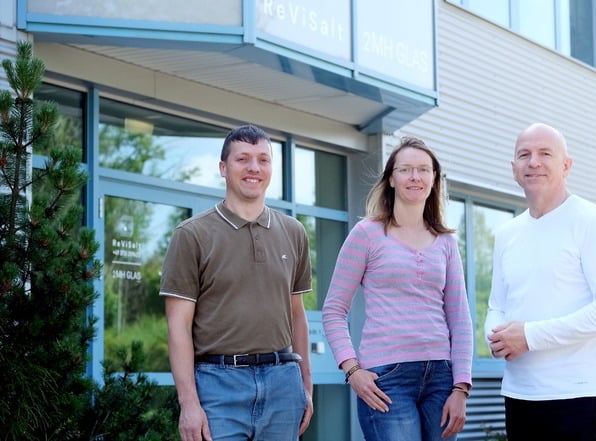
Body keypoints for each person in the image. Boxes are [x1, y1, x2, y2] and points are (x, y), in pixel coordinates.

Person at [160, 124, 313, 441]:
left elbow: (297, 315)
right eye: (243, 159)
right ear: (223, 168)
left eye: (263, 159)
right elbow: (178, 327)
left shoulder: (294, 232)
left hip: (283, 382)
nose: (254, 168)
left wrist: (306, 387)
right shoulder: (192, 235)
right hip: (217, 385)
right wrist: (188, 403)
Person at [485, 123, 596, 441]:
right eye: (524, 154)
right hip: (519, 394)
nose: (533, 162)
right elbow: (497, 304)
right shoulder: (507, 234)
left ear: (566, 165)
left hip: (576, 397)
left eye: (545, 153)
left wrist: (529, 336)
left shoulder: (592, 220)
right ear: (513, 169)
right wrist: (495, 337)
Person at [322, 136, 473, 441]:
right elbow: (333, 310)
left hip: (441, 380)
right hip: (386, 379)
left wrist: (461, 387)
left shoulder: (446, 242)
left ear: (434, 179)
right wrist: (352, 370)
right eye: (405, 170)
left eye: (423, 170)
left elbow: (460, 318)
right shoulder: (367, 234)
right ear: (391, 178)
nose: (414, 177)